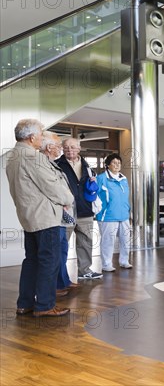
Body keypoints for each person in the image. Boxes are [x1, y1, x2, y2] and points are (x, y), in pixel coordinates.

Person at [5, 119, 73, 317]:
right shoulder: (34, 158)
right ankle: (45, 305)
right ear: (32, 137)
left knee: (32, 260)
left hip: (28, 217)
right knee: (49, 262)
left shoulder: (12, 157)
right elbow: (52, 187)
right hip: (45, 218)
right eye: (41, 133)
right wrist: (67, 199)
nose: (42, 137)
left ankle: (24, 303)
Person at [56, 137, 103, 280]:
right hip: (66, 211)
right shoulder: (57, 165)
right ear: (62, 149)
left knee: (86, 241)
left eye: (73, 147)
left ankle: (84, 270)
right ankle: (60, 274)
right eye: (66, 147)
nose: (70, 150)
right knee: (62, 244)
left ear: (79, 149)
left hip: (85, 209)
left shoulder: (88, 166)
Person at [40, 131, 80, 297]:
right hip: (52, 215)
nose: (61, 150)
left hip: (61, 215)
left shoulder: (51, 164)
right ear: (50, 147)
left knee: (62, 250)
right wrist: (66, 199)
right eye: (59, 147)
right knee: (54, 254)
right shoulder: (44, 164)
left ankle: (63, 281)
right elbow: (54, 190)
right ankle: (55, 288)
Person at [96, 153, 133, 272]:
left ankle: (124, 261)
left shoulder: (123, 178)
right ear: (107, 165)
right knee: (108, 240)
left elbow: (125, 197)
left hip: (124, 215)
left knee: (125, 239)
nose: (117, 165)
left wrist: (129, 211)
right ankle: (106, 264)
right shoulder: (101, 179)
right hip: (108, 215)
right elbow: (94, 196)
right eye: (114, 163)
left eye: (119, 163)